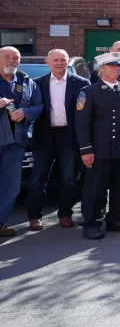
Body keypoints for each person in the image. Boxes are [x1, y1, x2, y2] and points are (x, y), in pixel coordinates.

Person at [76, 52, 120, 240]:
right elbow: (82, 123)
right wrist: (86, 150)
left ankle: (115, 219)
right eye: (111, 66)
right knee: (95, 187)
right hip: (99, 149)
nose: (116, 68)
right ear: (101, 69)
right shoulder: (89, 91)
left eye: (118, 65)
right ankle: (91, 222)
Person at [26, 49, 86, 231]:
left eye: (63, 60)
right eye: (56, 60)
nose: (60, 63)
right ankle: (35, 216)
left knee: (68, 178)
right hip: (44, 136)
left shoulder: (80, 83)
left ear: (68, 62)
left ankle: (65, 213)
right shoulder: (37, 83)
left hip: (69, 136)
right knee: (38, 178)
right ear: (48, 62)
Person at [0, 46, 43, 237]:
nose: (11, 61)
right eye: (7, 57)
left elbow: (39, 105)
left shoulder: (26, 82)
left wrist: (26, 112)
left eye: (15, 57)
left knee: (12, 185)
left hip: (16, 142)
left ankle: (0, 223)